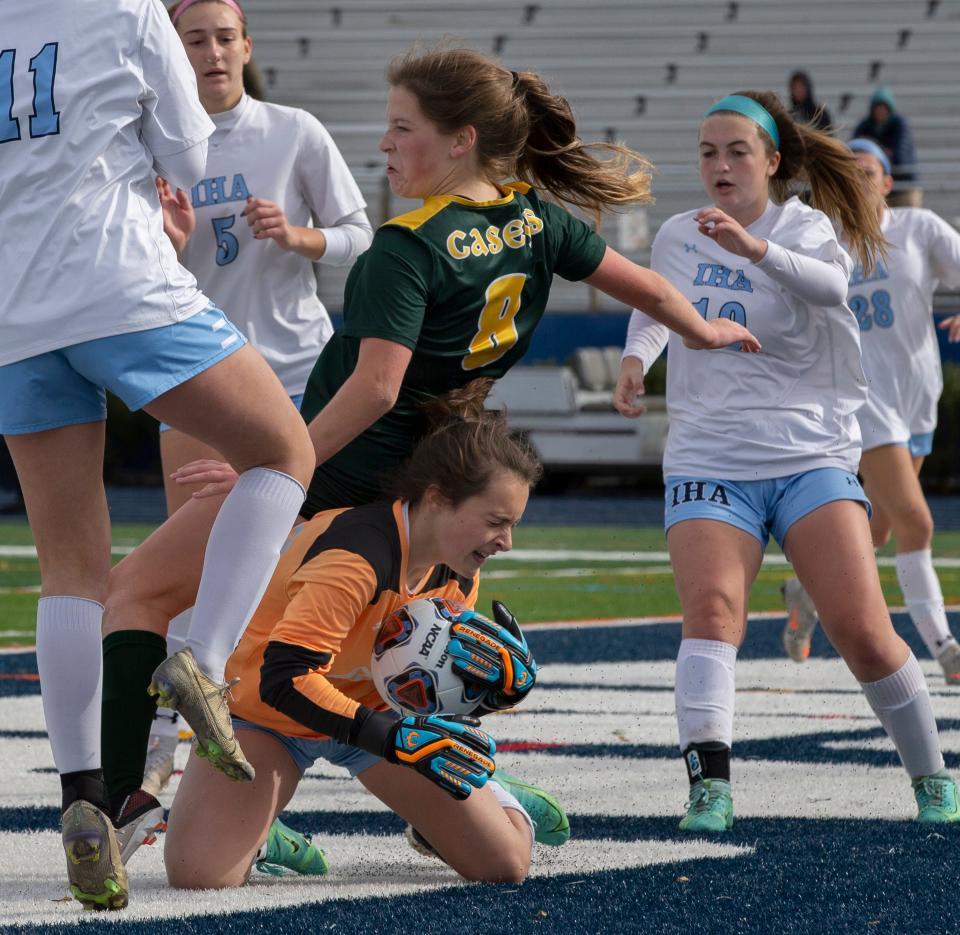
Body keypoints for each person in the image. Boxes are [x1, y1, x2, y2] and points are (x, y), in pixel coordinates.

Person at [100, 42, 760, 860]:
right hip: (423, 495)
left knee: (138, 595)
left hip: (341, 480)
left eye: (401, 128)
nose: (384, 145)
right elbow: (651, 290)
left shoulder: (408, 245)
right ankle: (425, 781)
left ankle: (119, 794)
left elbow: (376, 387)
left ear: (462, 139)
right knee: (336, 649)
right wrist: (703, 329)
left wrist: (270, 466)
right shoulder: (536, 218)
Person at [0, 0, 316, 911]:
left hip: (16, 311)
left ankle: (83, 796)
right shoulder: (130, 9)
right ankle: (204, 660)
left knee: (69, 568)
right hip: (115, 278)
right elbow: (189, 157)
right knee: (282, 450)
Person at [614, 91, 960, 833]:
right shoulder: (679, 233)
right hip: (709, 454)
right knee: (711, 612)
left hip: (810, 453)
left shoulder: (806, 225)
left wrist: (756, 249)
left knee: (862, 629)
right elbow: (654, 302)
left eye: (737, 151)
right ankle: (710, 784)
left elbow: (832, 285)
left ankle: (932, 777)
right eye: (708, 152)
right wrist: (635, 360)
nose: (720, 165)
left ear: (773, 161)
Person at [154, 386, 564, 888]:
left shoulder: (456, 567)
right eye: (497, 522)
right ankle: (263, 830)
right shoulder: (355, 557)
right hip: (267, 716)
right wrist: (390, 736)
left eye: (513, 525)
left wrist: (488, 694)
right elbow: (285, 679)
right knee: (199, 876)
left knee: (504, 865)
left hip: (379, 719)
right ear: (435, 498)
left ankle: (498, 795)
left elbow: (431, 684)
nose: (507, 542)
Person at [136, 0, 372, 803]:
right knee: (193, 578)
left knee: (291, 573)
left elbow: (359, 232)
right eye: (193, 38)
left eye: (223, 37)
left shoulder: (293, 130)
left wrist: (302, 237)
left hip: (298, 373)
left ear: (246, 45)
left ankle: (273, 773)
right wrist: (163, 243)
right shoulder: (152, 142)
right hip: (197, 378)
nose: (211, 52)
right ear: (171, 50)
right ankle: (168, 765)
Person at [781, 138, 960, 684]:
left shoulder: (917, 226)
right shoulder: (820, 238)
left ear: (886, 181)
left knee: (877, 532)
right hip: (863, 401)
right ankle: (946, 649)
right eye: (848, 172)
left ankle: (804, 594)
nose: (858, 179)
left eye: (869, 171)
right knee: (917, 523)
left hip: (916, 397)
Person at [853, 88, 921, 208]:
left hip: (903, 186)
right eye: (877, 108)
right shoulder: (864, 126)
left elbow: (900, 156)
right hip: (877, 188)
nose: (881, 112)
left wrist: (876, 155)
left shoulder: (900, 125)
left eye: (884, 108)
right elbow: (854, 151)